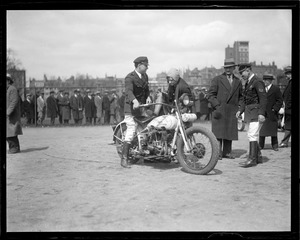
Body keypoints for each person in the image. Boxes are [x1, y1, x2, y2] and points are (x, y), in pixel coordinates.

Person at [206, 58, 243, 160]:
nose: (227, 69)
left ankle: (227, 152)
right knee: (219, 132)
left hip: (232, 111)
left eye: (230, 67)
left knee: (229, 132)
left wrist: (240, 108)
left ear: (233, 68)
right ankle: (217, 153)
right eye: (226, 67)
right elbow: (210, 95)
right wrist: (217, 106)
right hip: (219, 110)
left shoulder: (237, 81)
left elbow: (241, 97)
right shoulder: (217, 79)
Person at [121, 56, 152, 168]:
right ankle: (124, 159)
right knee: (131, 130)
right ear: (139, 65)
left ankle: (145, 153)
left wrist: (148, 96)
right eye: (146, 65)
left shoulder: (145, 76)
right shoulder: (130, 77)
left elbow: (147, 89)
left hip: (141, 108)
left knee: (145, 130)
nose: (147, 68)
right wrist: (134, 101)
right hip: (130, 109)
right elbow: (128, 91)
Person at [236, 63, 267, 168]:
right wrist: (240, 110)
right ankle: (258, 157)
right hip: (251, 112)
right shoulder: (249, 82)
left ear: (248, 70)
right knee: (251, 134)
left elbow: (263, 99)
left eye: (242, 72)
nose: (241, 75)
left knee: (252, 134)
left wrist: (262, 113)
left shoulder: (257, 82)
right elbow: (246, 99)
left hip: (256, 112)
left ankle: (252, 159)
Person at [259, 74, 283, 151]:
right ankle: (261, 145)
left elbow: (280, 100)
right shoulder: (261, 89)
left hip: (272, 113)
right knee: (262, 129)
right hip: (263, 112)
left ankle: (275, 145)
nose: (264, 82)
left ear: (270, 81)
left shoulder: (275, 89)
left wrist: (275, 109)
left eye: (266, 80)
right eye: (264, 80)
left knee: (273, 130)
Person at [6, 74, 23, 154]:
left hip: (11, 115)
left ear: (8, 81)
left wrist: (8, 112)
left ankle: (14, 148)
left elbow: (14, 101)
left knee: (11, 133)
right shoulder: (7, 89)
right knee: (8, 133)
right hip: (8, 115)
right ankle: (13, 147)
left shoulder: (12, 89)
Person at [279, 66, 292, 148]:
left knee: (288, 126)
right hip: (288, 108)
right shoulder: (290, 82)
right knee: (288, 126)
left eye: (287, 74)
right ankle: (285, 142)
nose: (286, 76)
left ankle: (284, 142)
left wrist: (286, 107)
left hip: (290, 109)